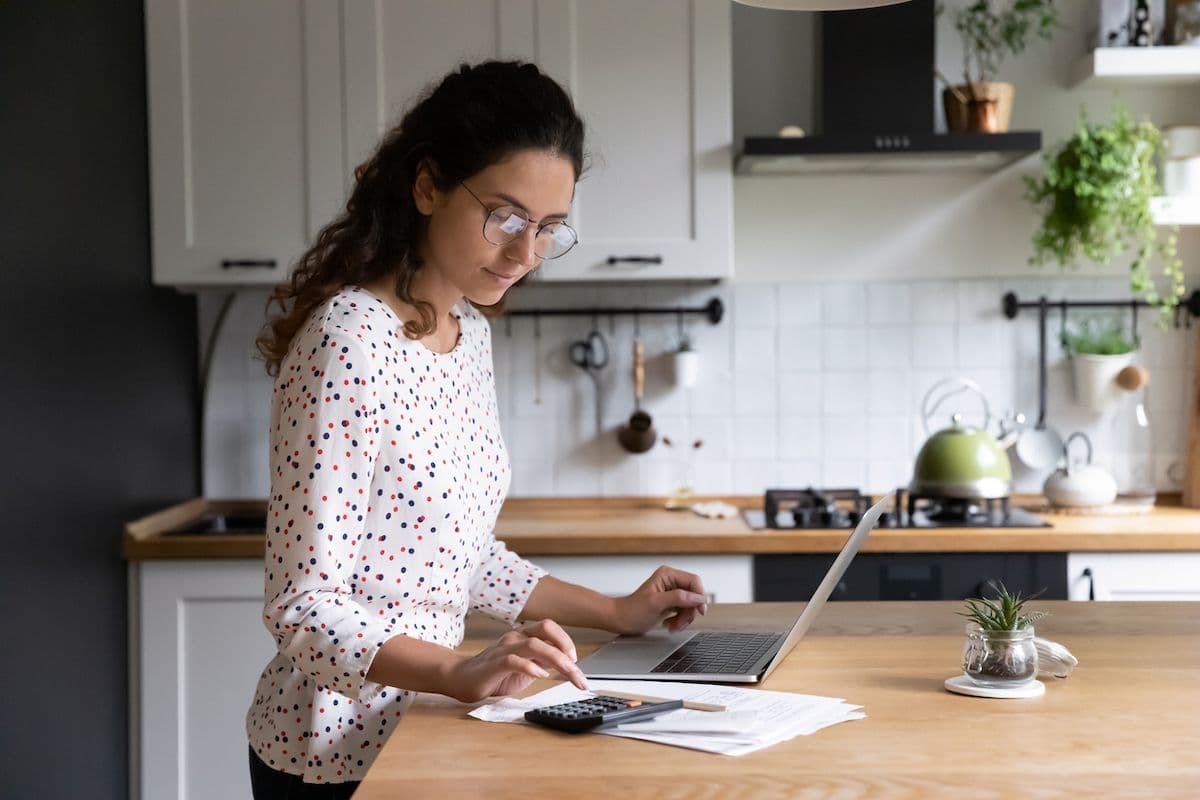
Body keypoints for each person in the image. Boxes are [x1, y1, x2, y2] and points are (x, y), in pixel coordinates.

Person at [246, 60, 708, 798]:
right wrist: (459, 671)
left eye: (549, 229)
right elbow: (304, 608)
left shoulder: (466, 333)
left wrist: (617, 613)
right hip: (334, 752)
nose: (526, 255)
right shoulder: (348, 341)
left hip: (430, 727)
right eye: (506, 218)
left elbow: (459, 557)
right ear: (427, 186)